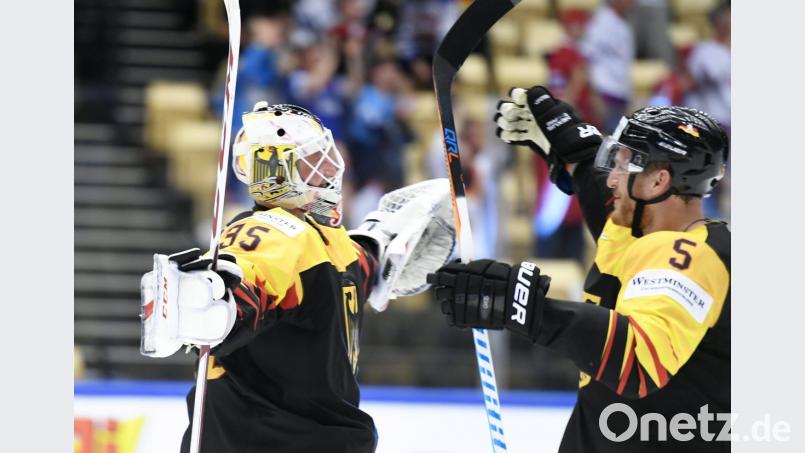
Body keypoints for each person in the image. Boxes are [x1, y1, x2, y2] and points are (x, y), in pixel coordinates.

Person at [432, 86, 730, 451]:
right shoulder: (642, 231)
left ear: (658, 181)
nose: (612, 178)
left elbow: (637, 361)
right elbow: (604, 209)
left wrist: (525, 306)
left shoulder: (693, 256)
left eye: (624, 164)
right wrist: (575, 146)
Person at [140, 102, 450, 452]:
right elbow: (249, 282)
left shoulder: (329, 241)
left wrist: (395, 241)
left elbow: (364, 264)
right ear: (279, 171)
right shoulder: (272, 232)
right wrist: (218, 298)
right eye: (316, 159)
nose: (332, 168)